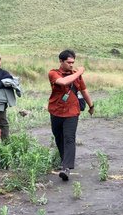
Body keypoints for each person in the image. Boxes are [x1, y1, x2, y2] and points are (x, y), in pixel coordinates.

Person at [48, 50, 94, 181]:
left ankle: (66, 168)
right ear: (61, 62)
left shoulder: (76, 75)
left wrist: (91, 105)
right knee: (58, 136)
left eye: (73, 63)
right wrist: (79, 72)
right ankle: (64, 161)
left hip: (72, 111)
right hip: (56, 110)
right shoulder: (53, 73)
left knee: (69, 138)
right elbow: (63, 82)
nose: (71, 65)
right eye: (69, 62)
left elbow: (84, 90)